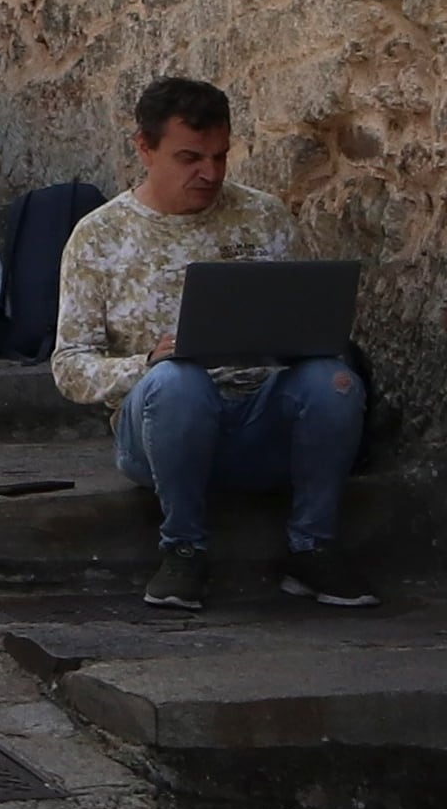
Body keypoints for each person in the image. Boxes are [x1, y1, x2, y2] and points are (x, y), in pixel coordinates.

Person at [49, 75, 377, 615]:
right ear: (144, 148)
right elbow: (69, 369)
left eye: (220, 157)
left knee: (334, 379)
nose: (209, 173)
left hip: (262, 417)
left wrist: (295, 342)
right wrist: (147, 361)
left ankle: (313, 546)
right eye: (189, 158)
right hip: (158, 431)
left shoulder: (264, 216)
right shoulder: (98, 235)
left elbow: (307, 325)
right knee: (179, 381)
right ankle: (183, 547)